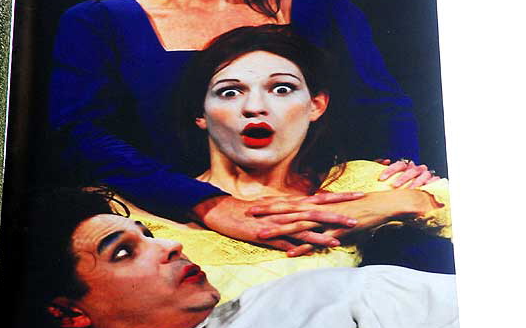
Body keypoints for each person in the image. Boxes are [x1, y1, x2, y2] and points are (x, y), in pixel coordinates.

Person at [50, 0, 424, 253]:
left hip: (320, 216)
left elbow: (384, 107)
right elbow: (80, 134)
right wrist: (208, 205)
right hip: (171, 224)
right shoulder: (100, 21)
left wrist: (392, 183)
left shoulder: (323, 8)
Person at [121, 24, 451, 301]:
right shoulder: (142, 214)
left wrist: (413, 200)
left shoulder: (364, 182)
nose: (254, 107)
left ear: (315, 105)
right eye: (230, 92)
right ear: (200, 114)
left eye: (281, 88)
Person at [6, 188, 459, 328]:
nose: (170, 244)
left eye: (147, 234)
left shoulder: (317, 297)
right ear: (67, 312)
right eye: (123, 251)